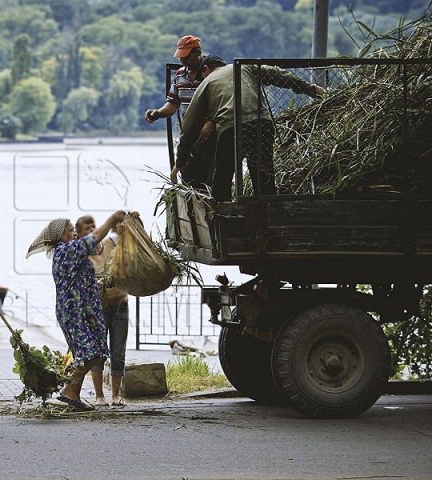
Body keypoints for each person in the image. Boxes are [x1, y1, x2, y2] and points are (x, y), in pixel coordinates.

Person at [177, 55, 325, 201]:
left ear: (205, 69)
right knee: (263, 171)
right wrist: (305, 87)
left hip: (231, 127)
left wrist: (181, 160)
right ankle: (267, 209)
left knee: (223, 173)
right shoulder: (244, 67)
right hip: (261, 124)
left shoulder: (206, 82)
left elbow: (189, 125)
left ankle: (222, 212)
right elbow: (277, 74)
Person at [26, 210, 127, 411]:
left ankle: (73, 393)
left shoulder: (70, 250)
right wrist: (112, 219)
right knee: (91, 352)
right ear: (61, 235)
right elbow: (94, 238)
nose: (73, 233)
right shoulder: (65, 251)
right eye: (71, 230)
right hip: (75, 311)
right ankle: (70, 391)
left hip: (84, 310)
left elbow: (97, 244)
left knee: (96, 352)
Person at [144, 35, 217, 190]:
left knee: (213, 177)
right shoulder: (179, 75)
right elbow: (173, 103)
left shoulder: (211, 73)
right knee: (190, 179)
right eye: (180, 57)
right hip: (190, 135)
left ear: (198, 52)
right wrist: (158, 113)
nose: (183, 61)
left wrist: (211, 123)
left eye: (186, 57)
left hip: (212, 134)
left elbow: (223, 103)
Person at [75, 215, 131, 407]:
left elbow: (130, 238)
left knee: (118, 352)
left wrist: (133, 220)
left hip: (120, 303)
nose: (91, 231)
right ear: (79, 235)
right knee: (98, 353)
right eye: (86, 229)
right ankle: (99, 396)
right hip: (96, 308)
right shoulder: (81, 254)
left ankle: (115, 396)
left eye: (93, 227)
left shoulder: (111, 243)